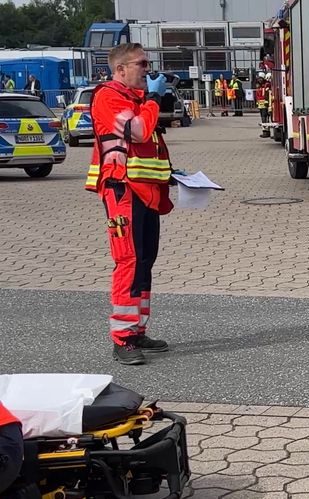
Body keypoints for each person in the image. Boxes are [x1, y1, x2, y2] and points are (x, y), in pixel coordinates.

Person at [84, 42, 174, 366]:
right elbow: (136, 132)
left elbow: (147, 148)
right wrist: (152, 100)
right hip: (123, 191)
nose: (147, 70)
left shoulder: (134, 100)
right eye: (141, 64)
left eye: (147, 64)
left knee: (145, 260)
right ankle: (122, 338)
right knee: (129, 261)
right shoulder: (108, 97)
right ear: (120, 70)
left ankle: (137, 330)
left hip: (145, 191)